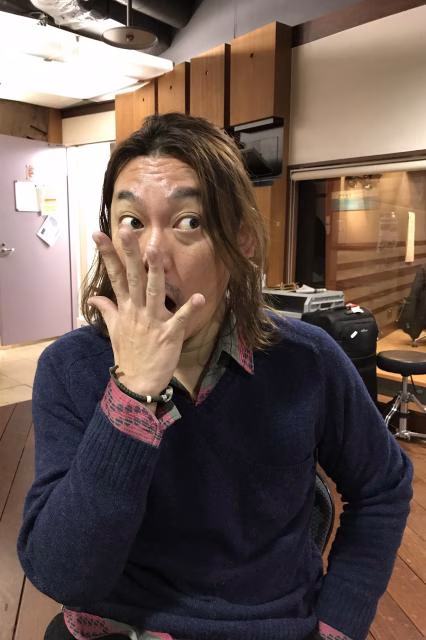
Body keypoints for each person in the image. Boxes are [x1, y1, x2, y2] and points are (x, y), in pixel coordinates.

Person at [17, 113, 412, 640]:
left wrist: (340, 620)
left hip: (270, 624)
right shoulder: (69, 368)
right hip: (117, 624)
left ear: (241, 238)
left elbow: (383, 485)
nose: (151, 253)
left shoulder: (307, 360)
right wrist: (133, 394)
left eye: (189, 222)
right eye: (131, 220)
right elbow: (62, 573)